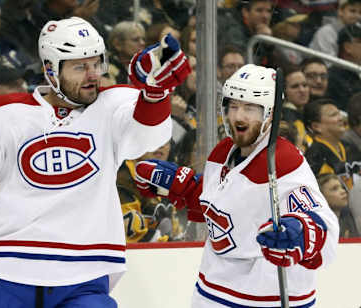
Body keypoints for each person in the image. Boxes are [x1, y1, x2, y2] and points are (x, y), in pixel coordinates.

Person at [0, 17, 190, 307]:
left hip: (85, 272)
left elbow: (148, 132)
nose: (92, 75)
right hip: (6, 267)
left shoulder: (111, 105)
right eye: (79, 66)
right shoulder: (3, 112)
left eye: (96, 63)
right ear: (50, 69)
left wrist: (154, 91)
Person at [134, 64, 339, 307]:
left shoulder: (283, 162)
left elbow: (323, 225)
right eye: (233, 106)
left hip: (265, 299)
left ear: (271, 113)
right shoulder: (223, 151)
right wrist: (186, 188)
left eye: (250, 108)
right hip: (212, 291)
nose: (239, 116)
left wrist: (302, 233)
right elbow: (226, 208)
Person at [304, 98, 361, 190]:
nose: (341, 118)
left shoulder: (350, 147)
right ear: (316, 126)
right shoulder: (314, 155)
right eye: (333, 115)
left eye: (339, 113)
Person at [317, 173, 359, 238]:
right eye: (335, 189)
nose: (343, 191)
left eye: (342, 187)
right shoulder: (318, 225)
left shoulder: (348, 214)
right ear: (321, 196)